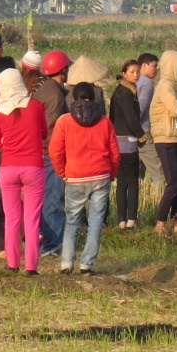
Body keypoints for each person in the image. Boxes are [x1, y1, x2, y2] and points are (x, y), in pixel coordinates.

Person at [49, 80, 120, 273]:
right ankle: (87, 265)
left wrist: (63, 172)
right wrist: (111, 174)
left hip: (75, 177)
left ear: (73, 97)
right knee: (96, 221)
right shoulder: (105, 121)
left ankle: (66, 264)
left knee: (72, 221)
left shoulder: (64, 121)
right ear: (94, 96)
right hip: (100, 175)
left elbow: (55, 150)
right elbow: (114, 153)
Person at [0, 68, 48, 274]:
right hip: (33, 166)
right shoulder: (36, 106)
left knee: (12, 218)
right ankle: (31, 266)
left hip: (8, 168)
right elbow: (43, 133)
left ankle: (13, 263)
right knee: (32, 219)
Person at [33, 50, 72, 252]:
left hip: (41, 153)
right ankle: (52, 245)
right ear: (62, 70)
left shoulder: (45, 90)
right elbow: (51, 128)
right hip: (50, 155)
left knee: (47, 199)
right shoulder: (55, 96)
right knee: (53, 200)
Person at [149, 50, 177, 234]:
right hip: (166, 139)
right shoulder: (166, 85)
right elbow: (176, 110)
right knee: (173, 182)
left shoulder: (174, 85)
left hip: (175, 138)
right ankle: (160, 221)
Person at [109, 60, 145, 229]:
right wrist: (142, 136)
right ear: (124, 73)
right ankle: (131, 220)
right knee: (132, 182)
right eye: (132, 71)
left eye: (138, 71)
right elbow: (132, 118)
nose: (135, 74)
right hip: (128, 142)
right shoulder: (125, 92)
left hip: (117, 142)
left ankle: (121, 221)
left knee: (121, 183)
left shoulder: (121, 91)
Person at [134, 53, 165, 195]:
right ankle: (158, 204)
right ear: (144, 66)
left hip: (129, 136)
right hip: (143, 133)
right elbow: (141, 108)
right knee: (158, 172)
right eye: (154, 66)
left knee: (136, 174)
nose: (156, 69)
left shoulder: (134, 81)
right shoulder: (146, 82)